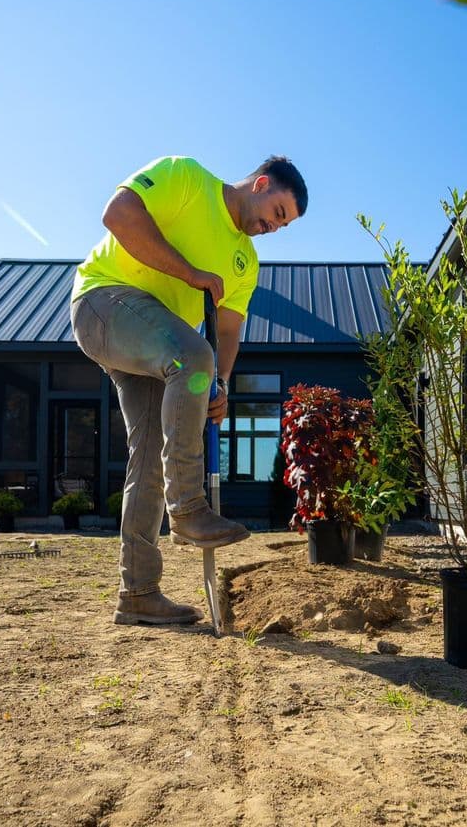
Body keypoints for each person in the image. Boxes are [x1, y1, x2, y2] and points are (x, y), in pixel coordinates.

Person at [70, 154, 308, 625]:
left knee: (149, 455)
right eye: (277, 214)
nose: (273, 228)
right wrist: (190, 274)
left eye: (284, 226)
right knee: (192, 355)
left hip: (156, 345)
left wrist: (218, 384)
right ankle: (188, 509)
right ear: (261, 184)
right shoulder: (186, 177)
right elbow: (117, 215)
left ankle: (137, 592)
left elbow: (228, 333)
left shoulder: (246, 262)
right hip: (104, 303)